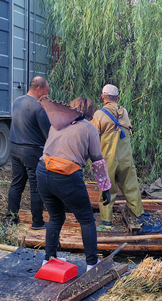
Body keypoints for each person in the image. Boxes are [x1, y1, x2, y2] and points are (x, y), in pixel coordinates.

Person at [36, 96, 111, 271]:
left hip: (42, 171)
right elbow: (97, 160)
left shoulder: (56, 124)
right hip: (65, 175)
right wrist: (105, 188)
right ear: (90, 114)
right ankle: (92, 264)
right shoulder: (89, 128)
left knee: (56, 217)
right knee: (86, 220)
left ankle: (48, 259)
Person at [91, 84, 146, 230]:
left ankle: (106, 222)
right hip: (125, 157)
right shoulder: (125, 112)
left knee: (106, 188)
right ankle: (139, 215)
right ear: (117, 97)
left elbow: (92, 136)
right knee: (131, 186)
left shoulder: (99, 114)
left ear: (103, 97)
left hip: (108, 159)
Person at [3, 76, 51, 229]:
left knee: (17, 184)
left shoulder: (17, 101)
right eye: (46, 91)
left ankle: (10, 218)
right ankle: (37, 222)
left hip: (15, 148)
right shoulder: (39, 108)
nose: (47, 95)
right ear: (39, 89)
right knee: (35, 187)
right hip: (32, 151)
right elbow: (48, 134)